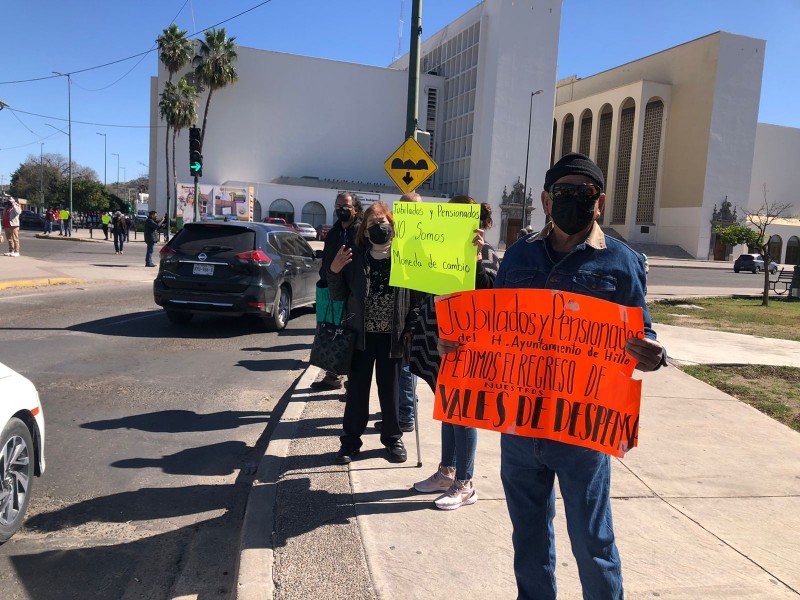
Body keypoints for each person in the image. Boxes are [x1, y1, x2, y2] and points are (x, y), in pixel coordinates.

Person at [440, 152, 666, 599]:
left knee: (592, 544)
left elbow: (645, 336)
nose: (572, 201)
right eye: (562, 192)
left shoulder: (622, 262)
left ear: (598, 202)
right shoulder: (519, 255)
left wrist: (653, 355)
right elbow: (496, 327)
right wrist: (460, 345)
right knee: (528, 540)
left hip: (582, 432)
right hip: (520, 427)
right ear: (545, 199)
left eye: (583, 194)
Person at [411, 197, 500, 510]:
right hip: (440, 344)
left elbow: (493, 293)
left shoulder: (486, 252)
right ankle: (447, 472)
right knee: (448, 410)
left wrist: (475, 259)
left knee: (464, 415)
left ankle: (466, 483)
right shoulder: (442, 251)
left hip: (470, 348)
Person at [328, 201, 419, 465]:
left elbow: (417, 298)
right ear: (365, 231)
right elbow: (338, 295)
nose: (379, 227)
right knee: (357, 391)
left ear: (392, 226)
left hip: (393, 337)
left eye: (384, 222)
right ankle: (350, 441)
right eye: (372, 223)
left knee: (390, 391)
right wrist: (334, 271)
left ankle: (392, 439)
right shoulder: (355, 257)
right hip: (360, 337)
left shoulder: (407, 258)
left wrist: (411, 328)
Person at [375, 191, 423, 433]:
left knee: (405, 367)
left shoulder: (426, 239)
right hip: (395, 310)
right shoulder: (394, 236)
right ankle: (404, 408)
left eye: (416, 209)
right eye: (406, 209)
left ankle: (405, 414)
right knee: (398, 367)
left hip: (415, 310)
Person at [310, 191, 363, 391]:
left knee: (353, 337)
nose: (341, 210)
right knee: (331, 332)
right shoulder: (333, 233)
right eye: (338, 206)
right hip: (333, 289)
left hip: (354, 293)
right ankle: (332, 375)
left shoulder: (361, 233)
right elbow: (327, 260)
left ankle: (352, 383)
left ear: (355, 209)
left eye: (346, 207)